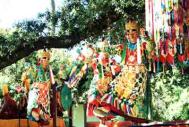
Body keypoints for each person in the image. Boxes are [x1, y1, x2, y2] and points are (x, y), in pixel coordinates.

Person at [22, 50, 52, 124]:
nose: (46, 60)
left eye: (48, 59)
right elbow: (27, 79)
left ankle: (43, 115)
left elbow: (49, 85)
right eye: (44, 58)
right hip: (35, 91)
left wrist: (47, 85)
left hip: (45, 94)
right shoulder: (35, 68)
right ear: (40, 59)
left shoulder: (49, 72)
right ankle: (32, 112)